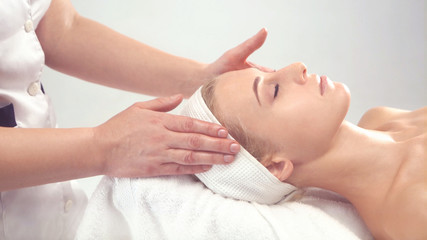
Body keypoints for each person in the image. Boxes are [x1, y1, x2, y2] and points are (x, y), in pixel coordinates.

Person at [0, 0, 272, 238]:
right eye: (276, 91)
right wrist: (103, 147)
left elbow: (61, 28)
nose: (300, 70)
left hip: (55, 213)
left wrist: (200, 79)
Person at [192, 62, 426, 240]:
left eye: (271, 71)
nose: (297, 67)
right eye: (274, 90)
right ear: (276, 166)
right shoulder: (411, 212)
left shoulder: (381, 118)